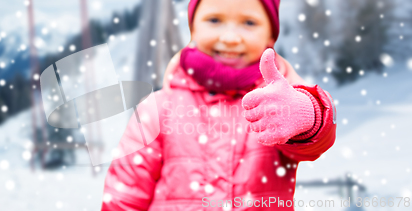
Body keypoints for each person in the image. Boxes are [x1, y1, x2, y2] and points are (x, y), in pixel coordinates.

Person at [101, 0, 336, 210]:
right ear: (193, 28)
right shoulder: (158, 108)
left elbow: (318, 140)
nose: (230, 38)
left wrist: (307, 113)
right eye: (214, 20)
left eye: (249, 22)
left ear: (270, 36)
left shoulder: (277, 103)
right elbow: (126, 194)